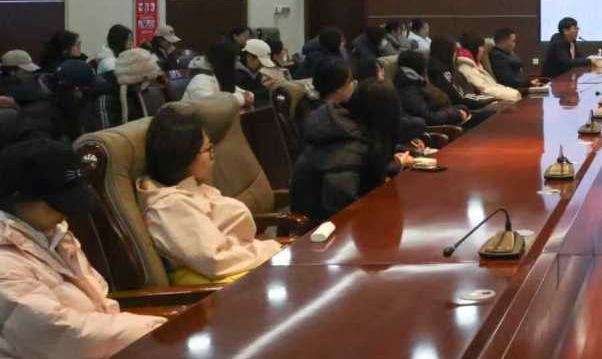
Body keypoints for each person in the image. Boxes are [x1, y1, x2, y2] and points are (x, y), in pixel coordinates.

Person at [0, 138, 164, 359]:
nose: (64, 213)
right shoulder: (5, 260)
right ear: (17, 199)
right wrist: (149, 329)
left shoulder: (53, 235)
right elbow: (55, 333)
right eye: (56, 204)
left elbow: (100, 302)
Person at [136, 106, 281, 284]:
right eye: (208, 149)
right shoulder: (169, 206)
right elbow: (216, 260)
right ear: (184, 156)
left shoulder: (189, 189)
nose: (213, 156)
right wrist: (271, 250)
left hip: (241, 264)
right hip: (222, 286)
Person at [291, 63, 412, 224]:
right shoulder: (347, 148)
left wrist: (396, 163)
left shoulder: (352, 129)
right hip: (320, 230)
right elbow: (341, 211)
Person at [394, 51, 475, 130]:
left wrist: (457, 111)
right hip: (438, 129)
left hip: (443, 117)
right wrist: (456, 114)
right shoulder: (408, 90)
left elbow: (436, 108)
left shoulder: (417, 82)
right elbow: (429, 118)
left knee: (465, 109)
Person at [95, 48, 166, 128]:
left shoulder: (139, 92)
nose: (149, 85)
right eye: (145, 81)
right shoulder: (106, 99)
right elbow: (108, 131)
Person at [183, 38, 253, 108]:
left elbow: (247, 95)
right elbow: (212, 104)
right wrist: (242, 98)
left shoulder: (222, 76)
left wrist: (246, 95)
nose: (236, 64)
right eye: (233, 60)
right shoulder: (200, 78)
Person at [453, 33, 522, 103]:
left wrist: (513, 92)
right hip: (491, 103)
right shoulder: (466, 69)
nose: (483, 50)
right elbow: (485, 90)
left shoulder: (475, 66)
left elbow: (493, 86)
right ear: (475, 48)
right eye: (481, 47)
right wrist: (513, 94)